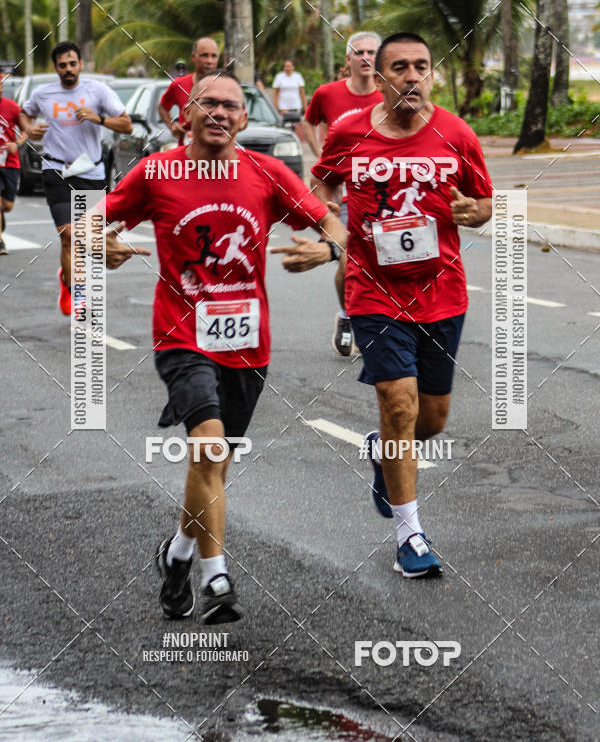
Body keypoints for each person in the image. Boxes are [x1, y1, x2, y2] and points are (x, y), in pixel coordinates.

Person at [91, 70, 345, 623]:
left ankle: (178, 554)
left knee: (215, 467)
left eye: (231, 106)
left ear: (244, 118)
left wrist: (330, 252)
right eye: (208, 103)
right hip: (182, 334)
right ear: (187, 114)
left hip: (247, 344)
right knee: (207, 447)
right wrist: (100, 245)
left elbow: (331, 220)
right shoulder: (157, 172)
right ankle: (217, 578)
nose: (219, 113)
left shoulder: (267, 173)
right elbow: (94, 221)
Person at [309, 32, 493, 578]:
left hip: (442, 293)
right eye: (399, 67)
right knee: (399, 404)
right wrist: (337, 231)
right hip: (373, 291)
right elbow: (319, 186)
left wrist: (473, 211)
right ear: (381, 77)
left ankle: (381, 451)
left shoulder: (456, 133)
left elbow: (485, 200)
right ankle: (410, 537)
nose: (412, 76)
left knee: (430, 421)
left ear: (431, 74)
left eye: (421, 67)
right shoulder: (350, 131)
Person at [19, 41, 132, 314]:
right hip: (56, 170)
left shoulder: (98, 91)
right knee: (69, 235)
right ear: (56, 68)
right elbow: (25, 113)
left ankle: (66, 276)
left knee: (86, 238)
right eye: (62, 65)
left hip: (90, 172)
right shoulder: (44, 93)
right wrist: (29, 129)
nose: (68, 69)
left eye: (72, 64)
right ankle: (77, 294)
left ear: (80, 64)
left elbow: (127, 124)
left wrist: (99, 119)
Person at [303, 31, 383, 357]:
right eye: (359, 52)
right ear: (348, 59)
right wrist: (320, 152)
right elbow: (308, 122)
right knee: (349, 263)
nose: (366, 58)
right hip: (343, 193)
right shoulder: (328, 94)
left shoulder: (388, 97)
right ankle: (348, 315)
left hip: (381, 194)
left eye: (372, 53)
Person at [158, 38, 219, 143]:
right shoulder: (179, 85)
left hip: (217, 153)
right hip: (186, 152)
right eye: (204, 55)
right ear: (193, 57)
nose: (209, 61)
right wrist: (172, 126)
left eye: (214, 56)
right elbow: (162, 107)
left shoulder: (227, 87)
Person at [0, 74, 27, 254]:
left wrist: (16, 144)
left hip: (10, 162)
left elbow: (26, 128)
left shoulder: (11, 107)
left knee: (7, 205)